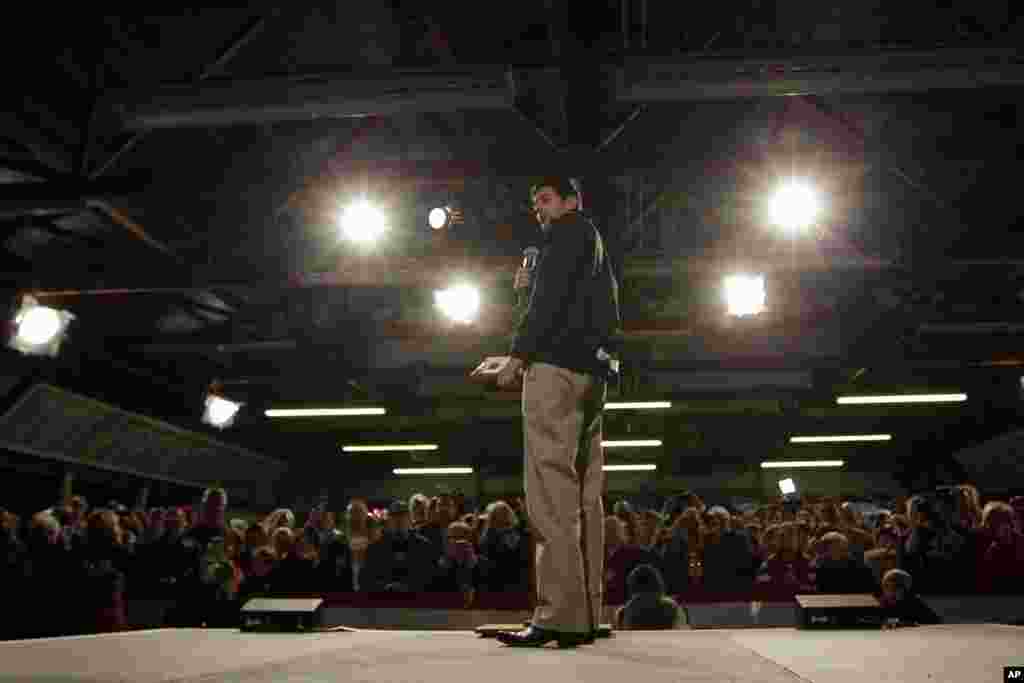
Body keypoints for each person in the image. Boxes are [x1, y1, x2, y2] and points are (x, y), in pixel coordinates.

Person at [494, 176, 621, 648]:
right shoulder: (596, 244)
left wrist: (518, 354)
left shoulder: (562, 236)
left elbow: (548, 303)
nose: (539, 210)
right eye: (534, 203)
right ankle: (587, 611)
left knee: (550, 491)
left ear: (571, 201)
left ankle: (557, 615)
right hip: (593, 373)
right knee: (587, 495)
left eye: (545, 199)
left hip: (554, 370)